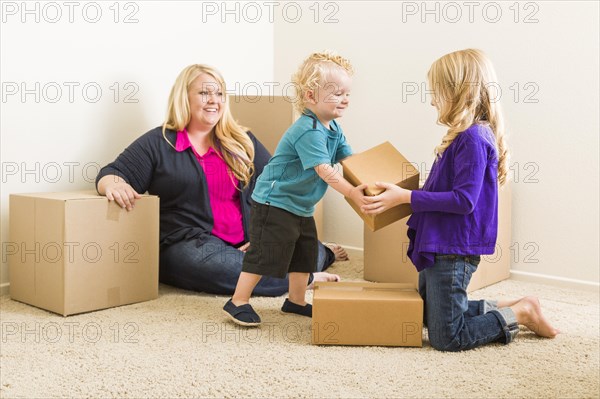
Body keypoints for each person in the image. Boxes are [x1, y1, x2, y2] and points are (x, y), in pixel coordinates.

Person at [362, 49, 559, 351]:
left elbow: (464, 200)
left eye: (436, 92)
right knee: (431, 315)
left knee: (447, 337)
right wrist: (401, 197)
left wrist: (406, 197)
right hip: (440, 241)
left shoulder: (474, 138)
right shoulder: (463, 136)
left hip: (452, 248)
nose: (431, 100)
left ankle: (520, 313)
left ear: (459, 91)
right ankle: (512, 304)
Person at [95, 64, 345, 297]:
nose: (214, 100)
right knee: (222, 267)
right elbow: (113, 172)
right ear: (185, 97)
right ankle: (304, 279)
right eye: (205, 93)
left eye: (220, 94)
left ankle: (319, 257)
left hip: (248, 240)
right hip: (189, 244)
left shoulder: (242, 141)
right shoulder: (158, 142)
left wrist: (261, 237)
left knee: (310, 250)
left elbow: (276, 185)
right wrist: (114, 184)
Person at [223, 52, 368, 327]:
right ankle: (238, 300)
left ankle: (296, 300)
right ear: (311, 96)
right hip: (274, 202)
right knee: (266, 253)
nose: (345, 99)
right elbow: (324, 170)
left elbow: (349, 158)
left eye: (347, 93)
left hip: (300, 204)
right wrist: (352, 193)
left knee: (305, 253)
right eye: (337, 93)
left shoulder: (333, 127)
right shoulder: (308, 130)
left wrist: (368, 180)